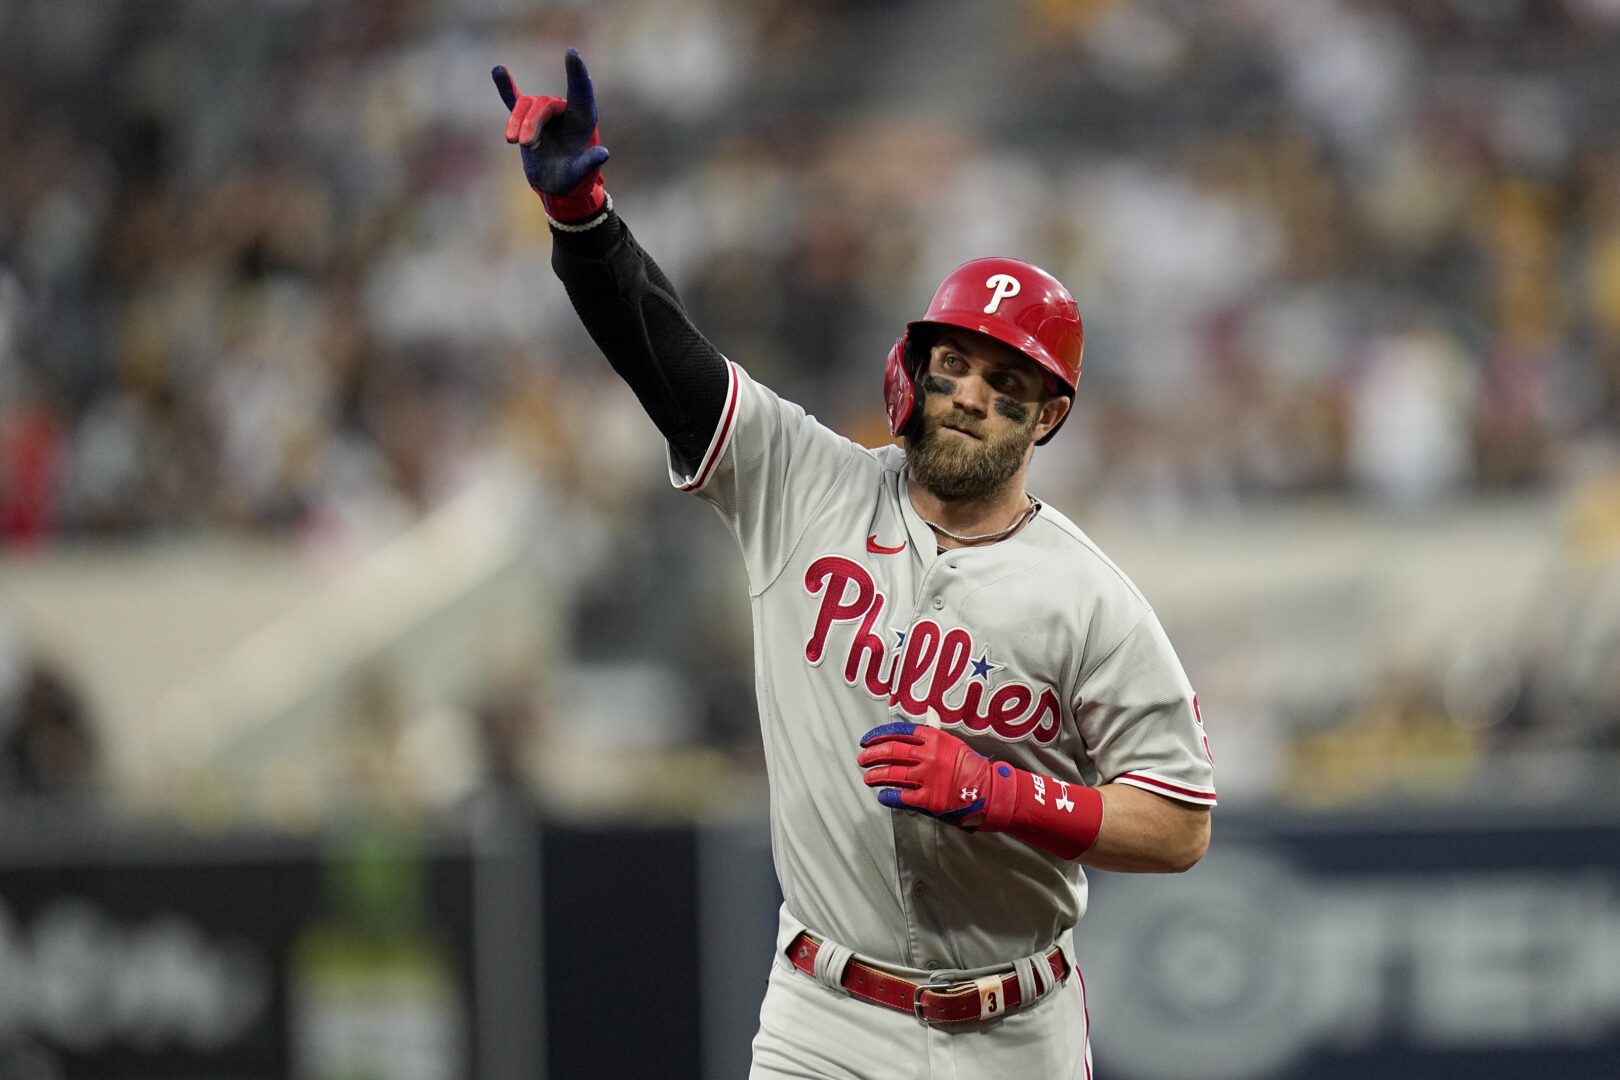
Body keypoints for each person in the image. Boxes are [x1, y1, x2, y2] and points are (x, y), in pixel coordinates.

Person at [492, 50, 1216, 1080]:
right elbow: (664, 356)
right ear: (912, 370)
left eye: (1004, 380)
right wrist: (585, 225)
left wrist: (1001, 794)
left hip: (1017, 1027)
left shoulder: (1089, 595)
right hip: (824, 1016)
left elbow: (1178, 823)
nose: (968, 392)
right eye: (954, 362)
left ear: (1048, 415)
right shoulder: (805, 484)